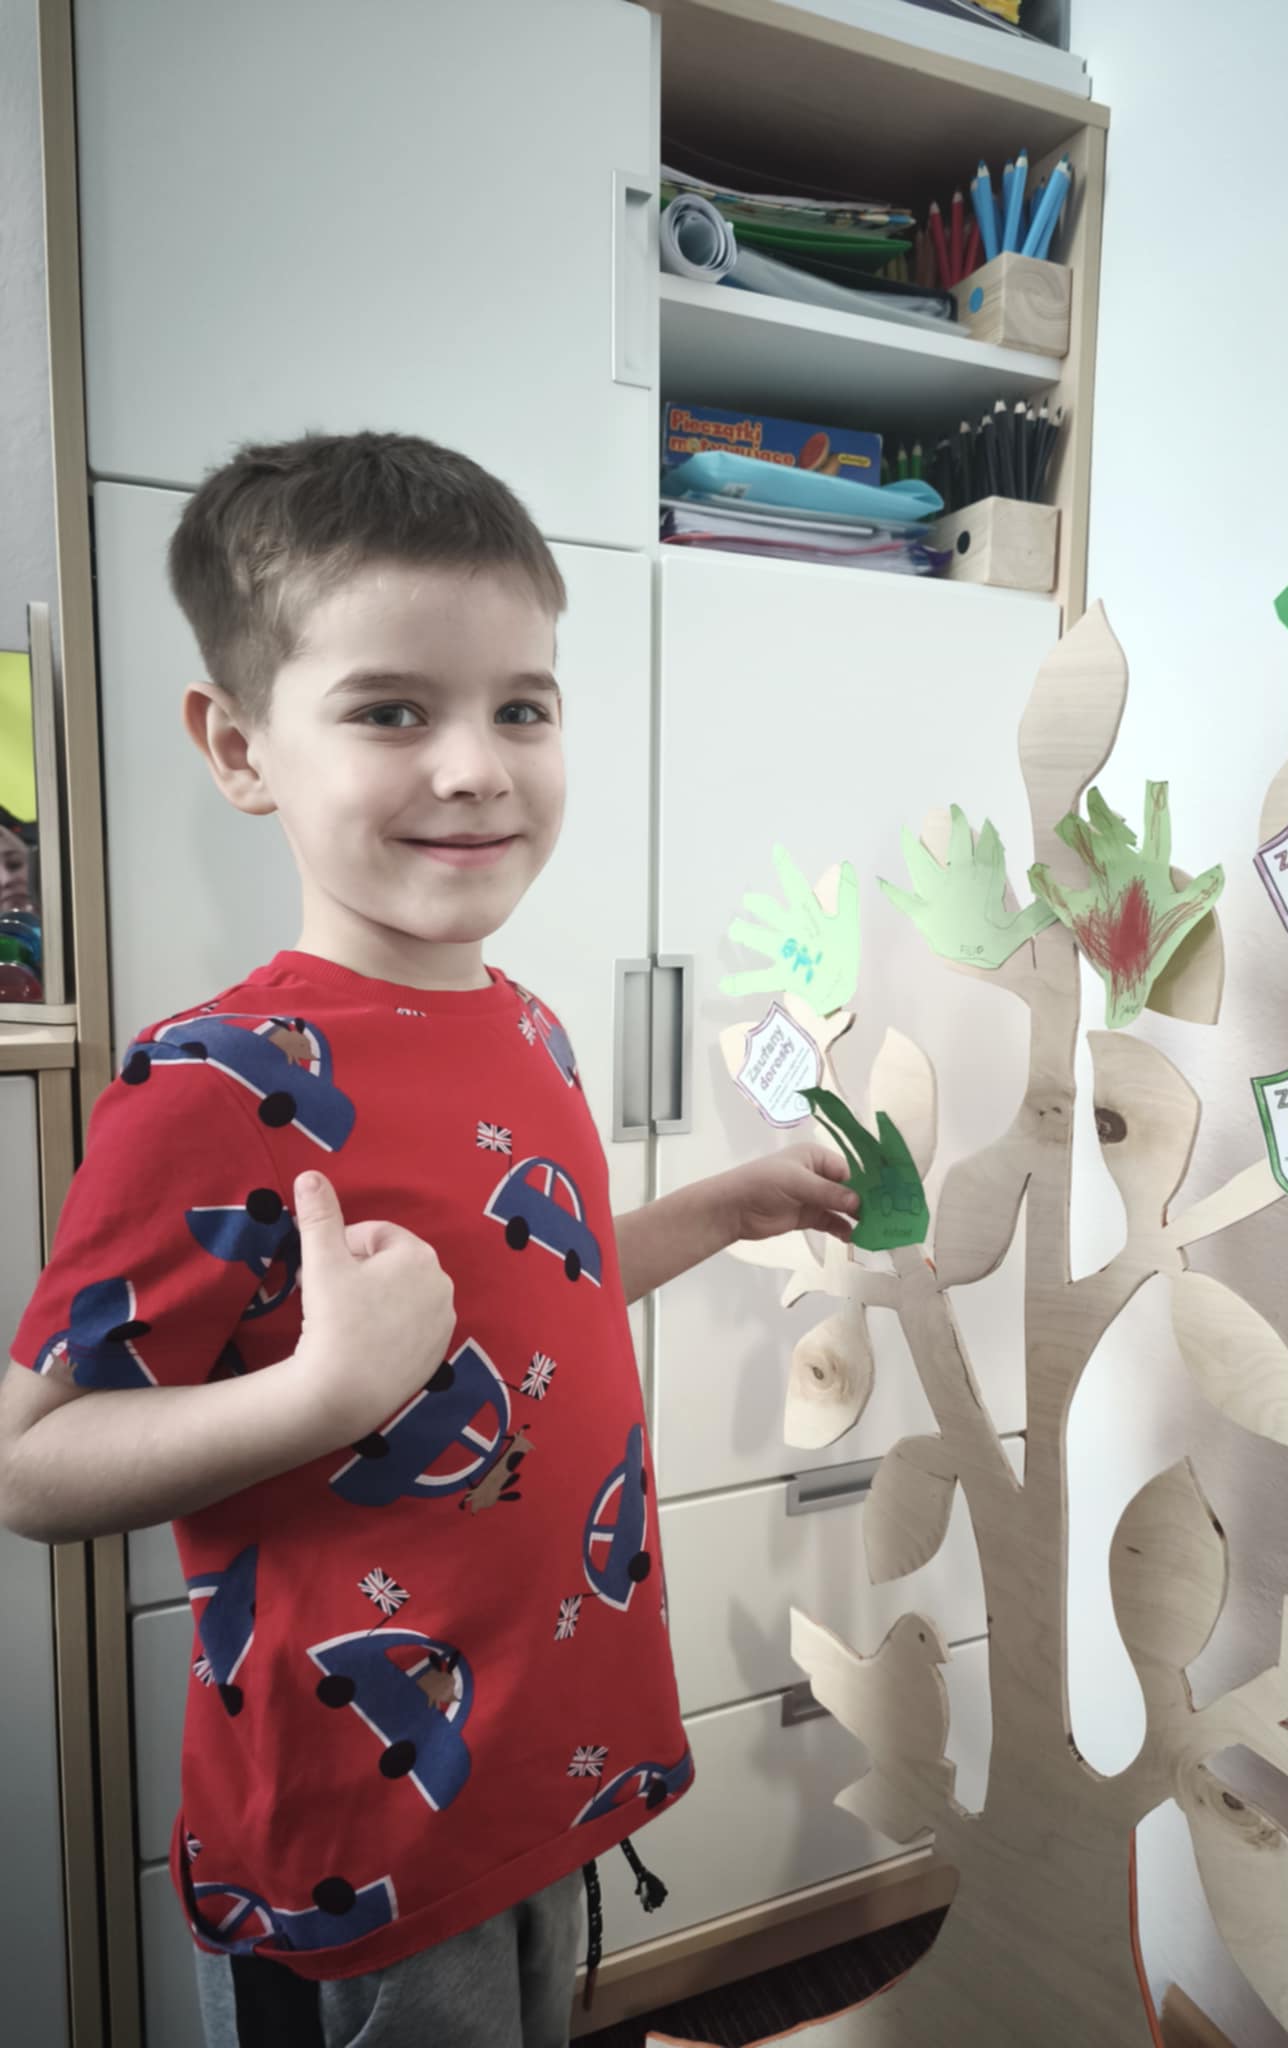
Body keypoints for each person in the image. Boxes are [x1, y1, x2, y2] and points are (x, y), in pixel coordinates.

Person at [0, 431, 860, 2048]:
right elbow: (31, 1464)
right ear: (241, 745)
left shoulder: (528, 1026)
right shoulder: (213, 1085)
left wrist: (728, 1207)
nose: (476, 766)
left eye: (521, 708)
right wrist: (322, 1397)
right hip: (360, 1843)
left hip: (539, 1775)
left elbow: (530, 1294)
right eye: (393, 710)